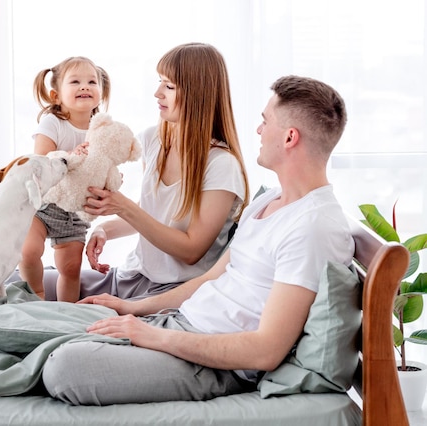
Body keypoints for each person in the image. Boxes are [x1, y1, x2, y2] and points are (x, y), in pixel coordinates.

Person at [40, 75, 355, 405]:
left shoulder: (313, 227)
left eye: (265, 121)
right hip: (179, 324)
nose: (259, 131)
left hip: (212, 362)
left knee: (63, 367)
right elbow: (210, 278)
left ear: (290, 137)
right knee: (57, 327)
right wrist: (131, 308)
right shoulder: (269, 201)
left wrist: (154, 335)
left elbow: (266, 351)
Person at [40, 42, 250, 301]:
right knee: (24, 283)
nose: (157, 93)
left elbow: (191, 250)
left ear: (199, 94)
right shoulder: (153, 140)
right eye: (160, 82)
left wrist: (123, 207)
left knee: (54, 309)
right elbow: (151, 212)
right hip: (132, 277)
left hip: (172, 291)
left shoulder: (222, 165)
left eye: (169, 86)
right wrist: (105, 229)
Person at [19, 56, 111, 302]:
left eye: (92, 81)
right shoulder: (53, 123)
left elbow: (107, 164)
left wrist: (112, 178)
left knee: (70, 268)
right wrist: (71, 157)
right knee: (28, 251)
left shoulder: (102, 130)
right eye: (75, 82)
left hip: (74, 212)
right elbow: (40, 162)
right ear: (56, 96)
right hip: (43, 205)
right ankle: (35, 296)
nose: (85, 86)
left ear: (101, 93)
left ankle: (67, 311)